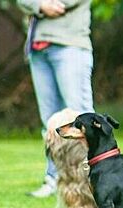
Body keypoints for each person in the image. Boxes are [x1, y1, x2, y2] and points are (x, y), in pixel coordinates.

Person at [17, 0, 94, 197]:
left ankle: (94, 178)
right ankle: (54, 178)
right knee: (50, 123)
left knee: (81, 119)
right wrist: (40, 5)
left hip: (70, 44)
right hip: (37, 47)